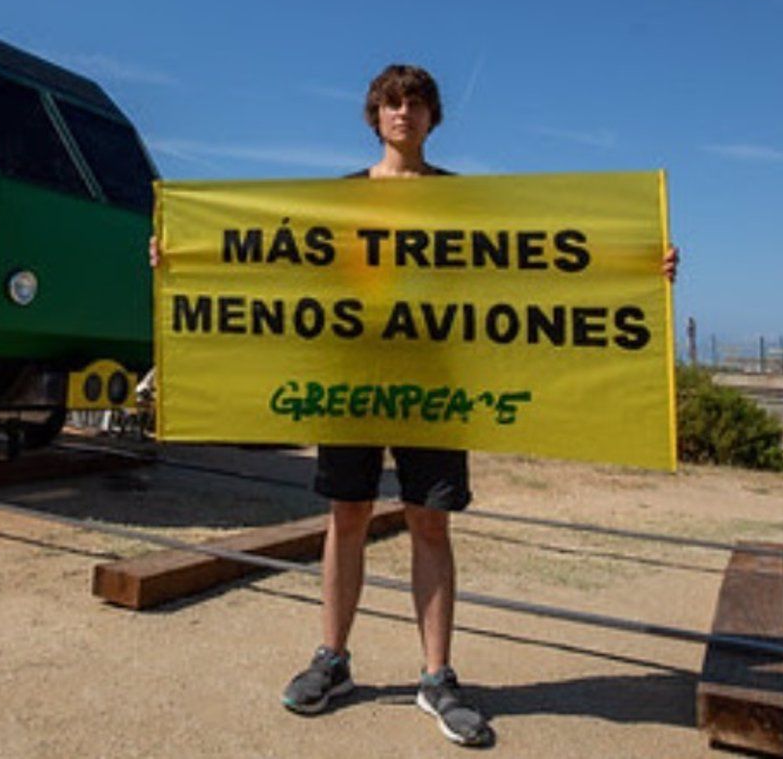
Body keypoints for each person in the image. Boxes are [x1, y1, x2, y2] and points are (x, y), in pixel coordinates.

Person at [277, 64, 678, 749]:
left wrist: (638, 265)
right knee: (346, 514)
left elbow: (537, 262)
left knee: (428, 521)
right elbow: (266, 267)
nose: (404, 112)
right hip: (355, 378)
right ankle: (333, 659)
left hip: (440, 383)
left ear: (433, 117)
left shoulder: (465, 200)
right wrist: (180, 258)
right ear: (375, 115)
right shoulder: (336, 198)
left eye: (417, 103)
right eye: (392, 102)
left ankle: (436, 676)